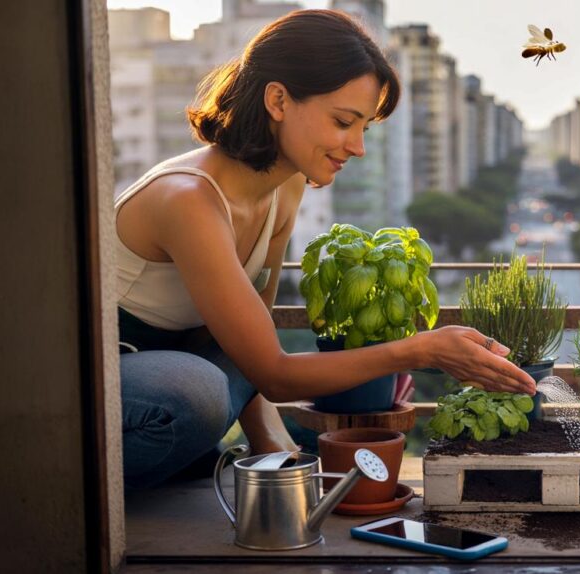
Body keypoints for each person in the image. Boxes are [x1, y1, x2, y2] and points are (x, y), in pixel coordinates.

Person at [115, 9, 535, 488]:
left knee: (242, 391)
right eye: (343, 122)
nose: (356, 147)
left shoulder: (285, 187)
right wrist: (423, 350)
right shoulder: (189, 200)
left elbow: (247, 353)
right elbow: (273, 375)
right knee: (199, 394)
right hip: (108, 394)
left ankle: (197, 458)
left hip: (189, 371)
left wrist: (277, 450)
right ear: (278, 99)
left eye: (365, 128)